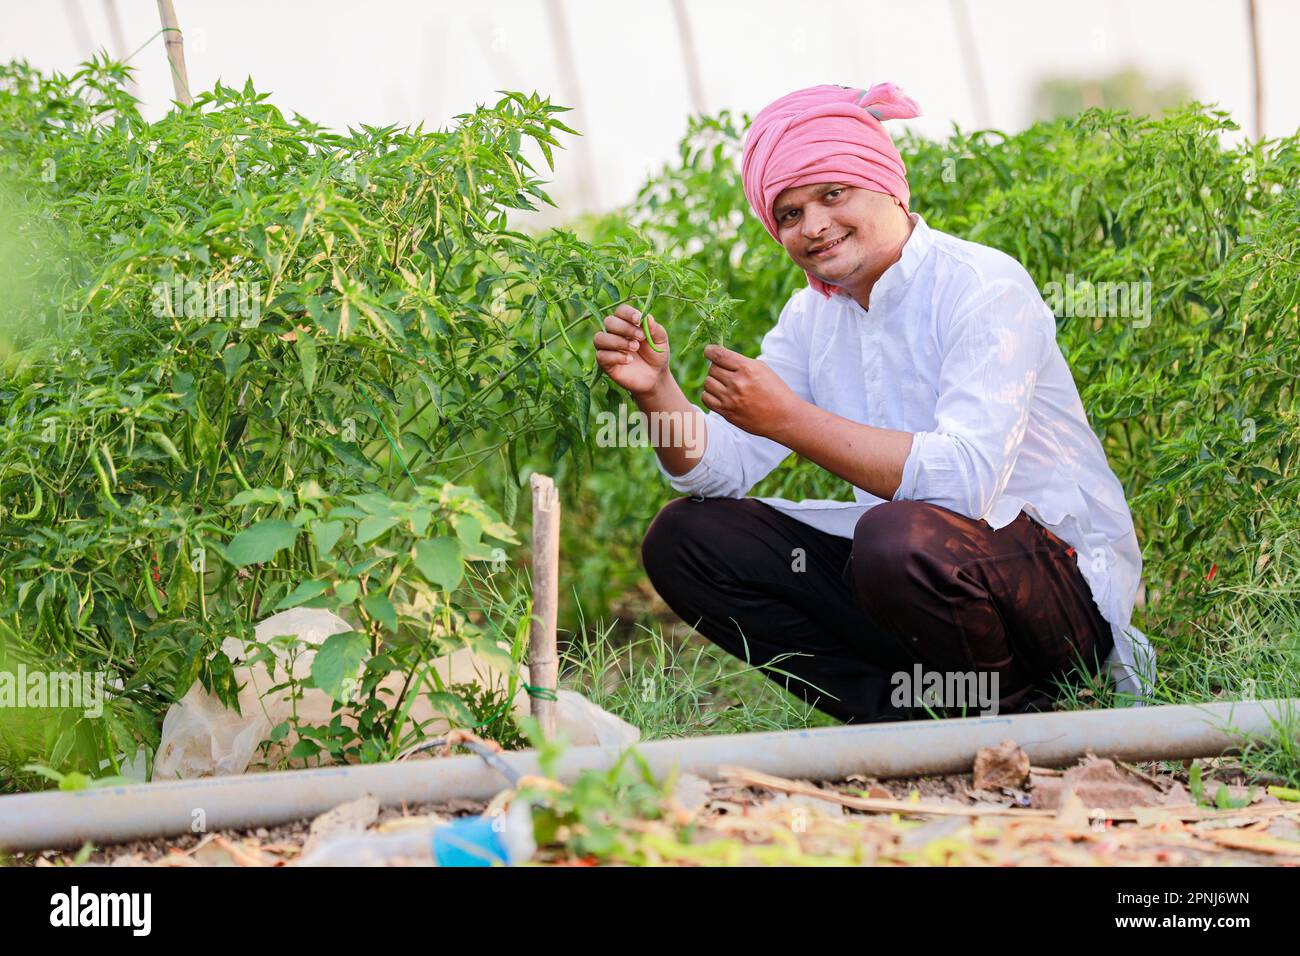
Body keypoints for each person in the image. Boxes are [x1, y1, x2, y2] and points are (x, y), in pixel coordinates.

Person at [593, 83, 1155, 724]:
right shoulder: (811, 316)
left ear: (888, 183)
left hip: (1053, 593)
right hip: (919, 574)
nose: (815, 226)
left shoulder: (981, 285)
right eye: (790, 213)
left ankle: (1025, 713)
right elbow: (720, 470)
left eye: (833, 194)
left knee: (893, 536)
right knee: (687, 538)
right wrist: (657, 392)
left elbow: (967, 484)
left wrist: (790, 420)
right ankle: (897, 718)